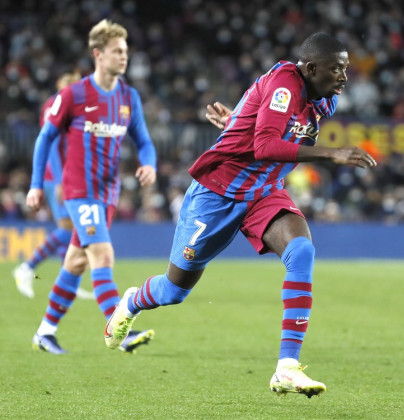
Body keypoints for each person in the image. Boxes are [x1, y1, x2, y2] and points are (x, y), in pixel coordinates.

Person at [104, 32, 377, 397]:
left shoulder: (323, 100)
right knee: (173, 291)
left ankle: (287, 367)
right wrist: (332, 153)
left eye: (345, 69)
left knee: (302, 251)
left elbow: (265, 126)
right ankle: (132, 301)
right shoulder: (286, 84)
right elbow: (265, 145)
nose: (344, 77)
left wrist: (239, 123)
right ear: (311, 68)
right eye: (336, 69)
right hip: (217, 193)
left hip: (263, 193)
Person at [26, 19, 157, 354]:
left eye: (126, 51)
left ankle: (45, 332)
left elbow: (143, 140)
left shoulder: (129, 97)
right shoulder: (74, 94)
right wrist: (36, 184)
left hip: (107, 193)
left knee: (76, 262)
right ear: (98, 54)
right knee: (102, 253)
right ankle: (121, 330)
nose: (124, 57)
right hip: (78, 190)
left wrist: (149, 163)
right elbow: (45, 139)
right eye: (117, 51)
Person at [13, 71, 95, 301]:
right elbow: (52, 144)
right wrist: (59, 180)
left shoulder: (70, 104)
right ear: (61, 84)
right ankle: (27, 267)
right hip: (54, 176)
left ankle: (66, 282)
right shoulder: (55, 104)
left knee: (69, 229)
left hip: (65, 176)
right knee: (68, 229)